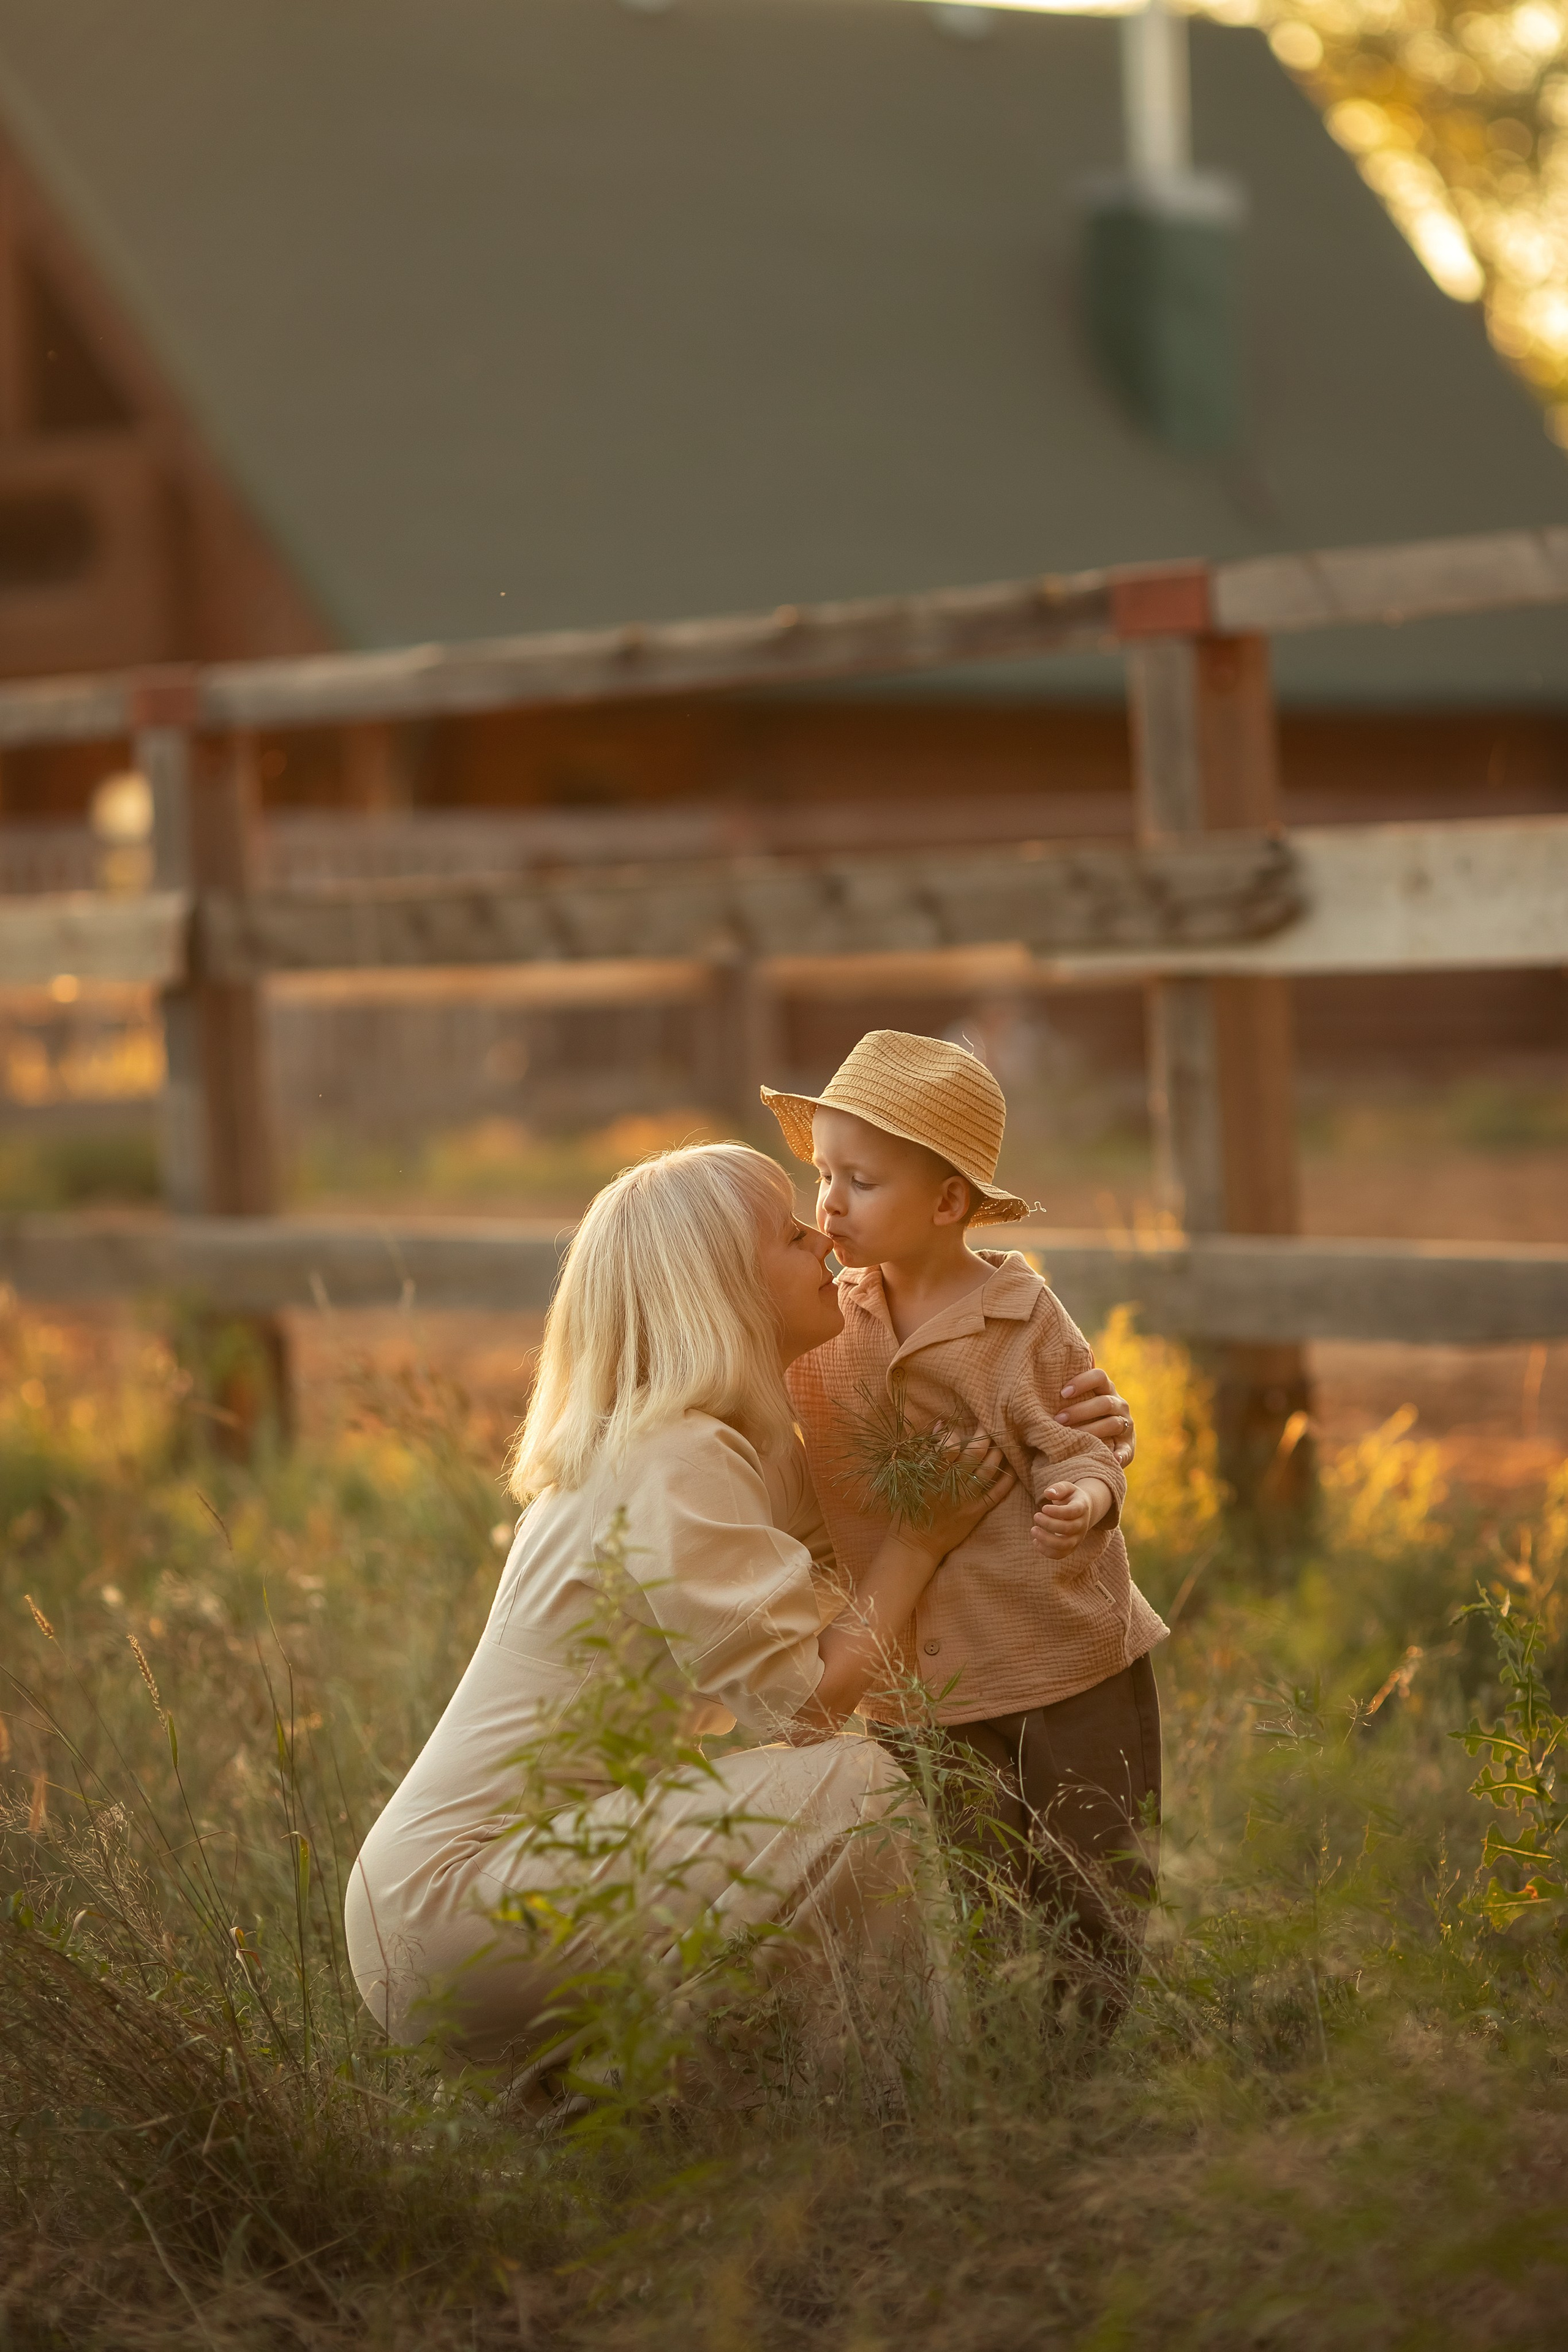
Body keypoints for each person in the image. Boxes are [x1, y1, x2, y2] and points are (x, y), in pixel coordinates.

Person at [344, 1141, 1017, 2073]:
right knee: (855, 1788)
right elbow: (808, 1706)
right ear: (722, 1289)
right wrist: (919, 1543)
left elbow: (870, 1518)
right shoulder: (675, 1459)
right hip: (459, 1901)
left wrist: (1066, 1426)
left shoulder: (704, 1447)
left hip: (457, 1896)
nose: (823, 1233)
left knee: (806, 1799)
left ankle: (696, 2107)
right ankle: (890, 2107)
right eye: (788, 1233)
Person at [763, 1030, 1169, 2018]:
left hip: (1062, 1656)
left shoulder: (1019, 1316)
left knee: (1090, 1877)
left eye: (858, 1181)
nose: (827, 1205)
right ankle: (988, 2054)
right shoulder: (828, 1320)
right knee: (963, 1886)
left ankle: (1085, 2068)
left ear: (949, 1204)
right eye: (821, 1175)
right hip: (917, 1684)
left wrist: (1089, 1496)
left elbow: (1082, 1438)